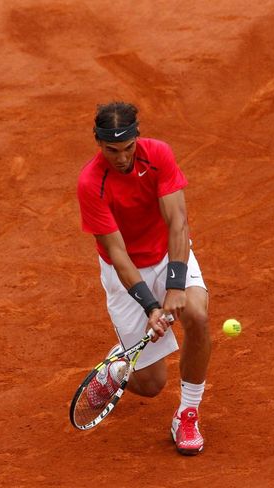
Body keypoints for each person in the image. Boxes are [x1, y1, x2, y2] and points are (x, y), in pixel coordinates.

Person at [76, 101, 211, 455]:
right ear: (99, 144)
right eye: (112, 150)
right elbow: (119, 255)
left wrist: (176, 285)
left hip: (169, 254)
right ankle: (115, 369)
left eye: (128, 148)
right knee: (151, 384)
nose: (121, 158)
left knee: (197, 315)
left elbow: (177, 223)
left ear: (138, 137)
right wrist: (152, 306)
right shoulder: (91, 183)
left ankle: (187, 413)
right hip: (126, 274)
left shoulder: (158, 155)